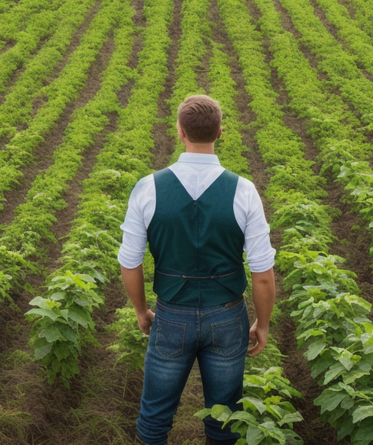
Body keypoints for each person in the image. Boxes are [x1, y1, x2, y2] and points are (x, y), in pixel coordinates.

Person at [118, 95, 276, 445]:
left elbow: (130, 261)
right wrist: (262, 325)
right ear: (220, 132)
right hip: (227, 316)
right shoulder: (244, 190)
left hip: (172, 315)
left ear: (179, 133)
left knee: (155, 418)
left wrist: (141, 310)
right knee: (224, 419)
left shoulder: (148, 188)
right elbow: (262, 272)